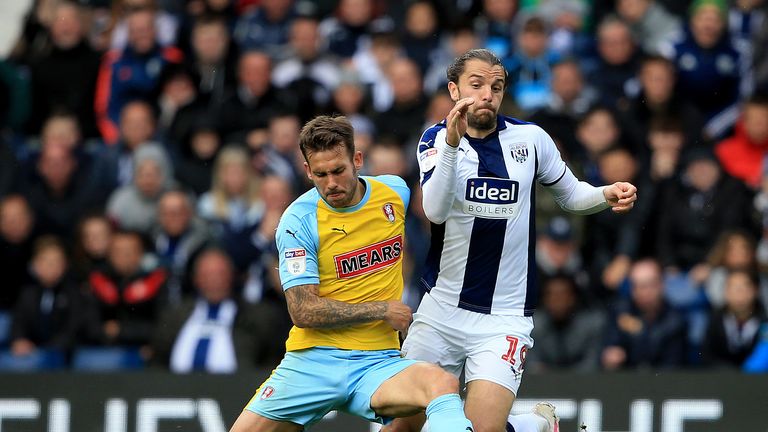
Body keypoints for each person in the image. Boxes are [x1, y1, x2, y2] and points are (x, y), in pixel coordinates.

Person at [386, 49, 637, 432]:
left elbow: (570, 195)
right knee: (403, 428)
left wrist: (604, 194)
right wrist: (453, 146)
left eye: (496, 86)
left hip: (504, 317)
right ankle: (527, 426)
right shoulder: (436, 140)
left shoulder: (531, 139)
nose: (488, 94)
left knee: (480, 428)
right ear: (454, 90)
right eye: (477, 84)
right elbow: (434, 211)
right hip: (441, 310)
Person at [229, 115, 474, 432]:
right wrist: (380, 309)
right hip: (312, 363)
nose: (331, 183)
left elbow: (446, 207)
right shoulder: (298, 220)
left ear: (357, 160)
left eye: (338, 170)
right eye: (320, 174)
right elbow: (303, 310)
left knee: (441, 383)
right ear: (307, 171)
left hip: (377, 363)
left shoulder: (394, 193)